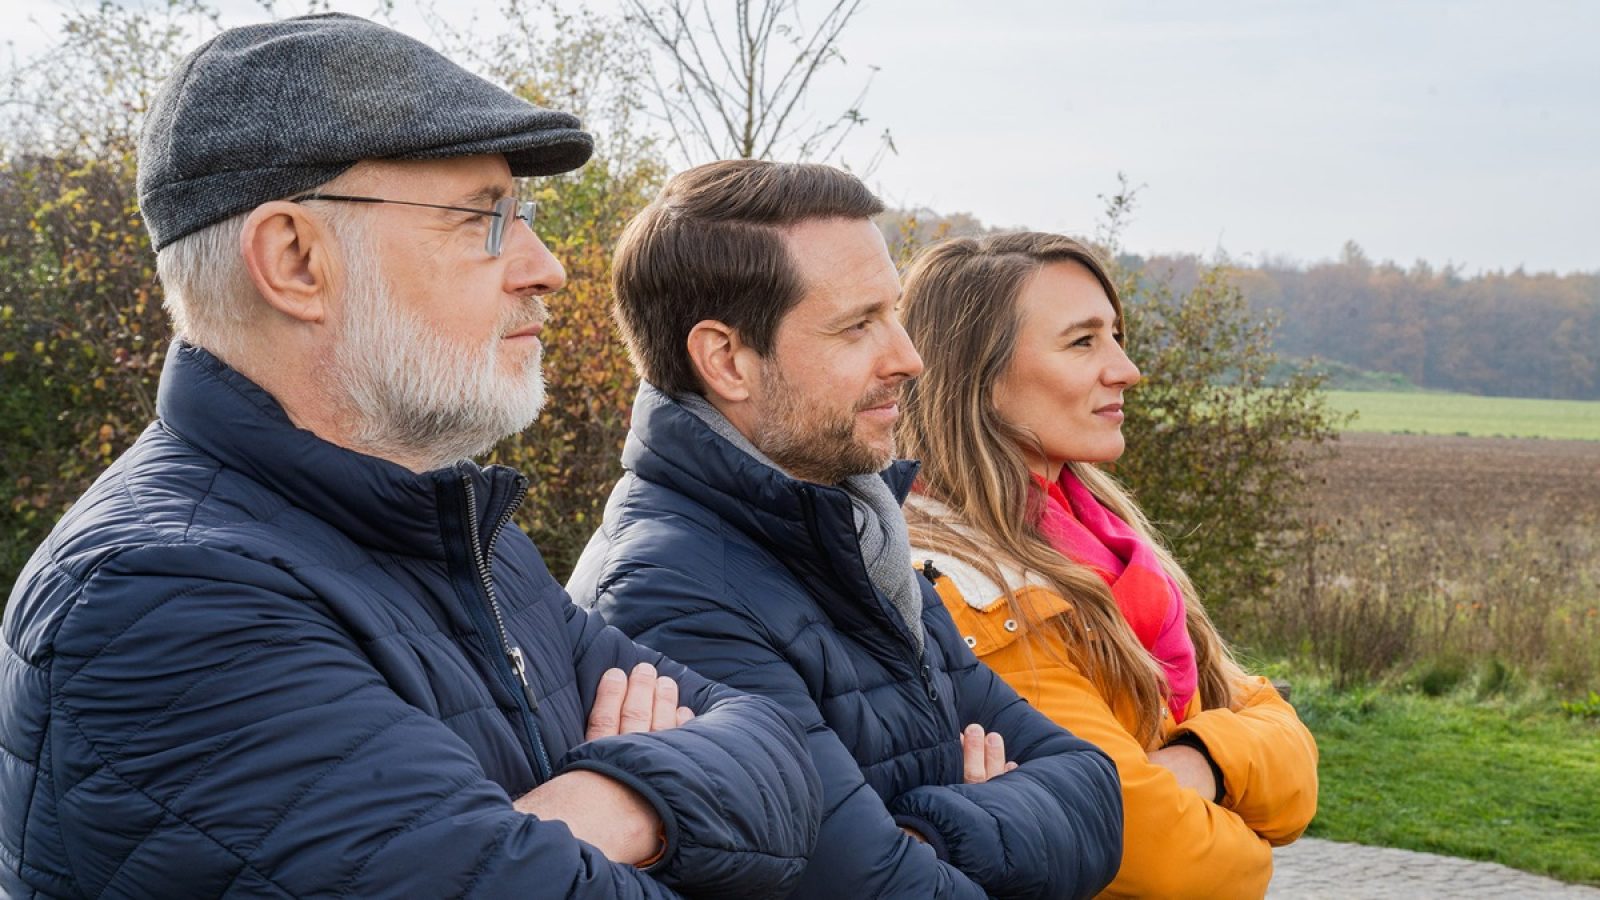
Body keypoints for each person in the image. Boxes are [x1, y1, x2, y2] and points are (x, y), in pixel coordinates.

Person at [0, 15, 823, 898]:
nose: (545, 267)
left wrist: (612, 800)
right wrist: (663, 801)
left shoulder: (456, 532)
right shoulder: (165, 598)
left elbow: (780, 754)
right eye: (483, 218)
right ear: (295, 261)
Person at [565, 160, 1124, 900]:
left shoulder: (854, 533)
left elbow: (1096, 795)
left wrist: (926, 835)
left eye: (893, 312)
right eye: (859, 325)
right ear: (728, 359)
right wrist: (983, 820)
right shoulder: (668, 594)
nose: (908, 358)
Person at [894, 231, 1319, 899]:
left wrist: (1198, 759)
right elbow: (1169, 862)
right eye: (1083, 342)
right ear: (978, 376)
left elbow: (1287, 739)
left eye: (1115, 337)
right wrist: (1238, 806)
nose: (1126, 369)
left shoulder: (1114, 549)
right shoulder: (963, 586)